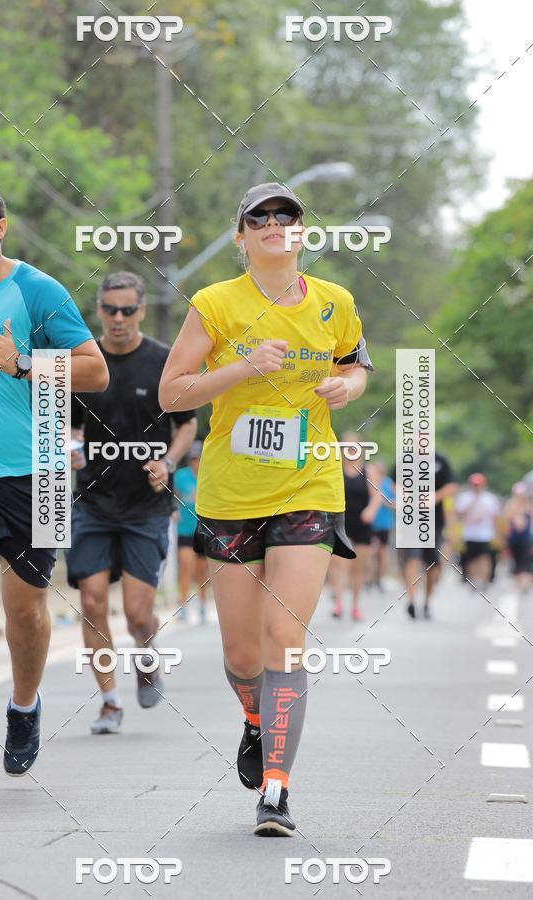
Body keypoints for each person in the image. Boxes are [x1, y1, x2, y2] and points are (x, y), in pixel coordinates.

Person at [158, 182, 373, 837]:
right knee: (244, 653)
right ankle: (256, 718)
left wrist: (347, 386)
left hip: (308, 486)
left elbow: (358, 365)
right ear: (241, 235)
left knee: (286, 640)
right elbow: (172, 393)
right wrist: (244, 367)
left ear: (302, 232)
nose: (276, 225)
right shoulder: (215, 304)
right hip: (229, 495)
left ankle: (277, 789)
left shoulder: (334, 302)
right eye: (261, 218)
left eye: (288, 216)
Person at [0, 179, 108, 790]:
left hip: (42, 470)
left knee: (28, 607)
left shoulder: (37, 290)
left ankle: (24, 706)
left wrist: (24, 361)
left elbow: (95, 370)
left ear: (0, 227)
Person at [66, 271, 196, 735]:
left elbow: (185, 424)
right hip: (93, 502)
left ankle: (146, 656)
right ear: (98, 310)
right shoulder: (83, 363)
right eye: (109, 310)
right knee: (93, 599)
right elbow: (65, 425)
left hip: (146, 505)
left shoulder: (163, 362)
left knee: (139, 613)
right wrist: (70, 445)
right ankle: (109, 701)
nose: (118, 319)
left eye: (127, 310)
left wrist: (168, 460)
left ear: (140, 311)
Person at [392, 451, 458, 619]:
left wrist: (436, 496)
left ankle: (428, 601)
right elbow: (393, 483)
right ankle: (412, 601)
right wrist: (403, 494)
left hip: (433, 522)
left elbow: (452, 486)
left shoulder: (440, 460)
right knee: (412, 559)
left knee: (432, 564)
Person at [328, 434, 381, 621]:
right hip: (340, 520)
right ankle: (339, 602)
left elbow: (376, 496)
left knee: (359, 567)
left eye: (354, 447)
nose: (350, 451)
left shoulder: (369, 470)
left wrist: (371, 510)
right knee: (339, 564)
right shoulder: (335, 468)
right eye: (347, 447)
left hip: (362, 522)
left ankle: (356, 605)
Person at [174, 441, 208, 624]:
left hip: (203, 529)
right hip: (185, 529)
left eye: (199, 458)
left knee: (201, 572)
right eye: (193, 458)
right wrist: (172, 510)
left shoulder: (209, 475)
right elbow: (171, 496)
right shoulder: (180, 476)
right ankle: (182, 604)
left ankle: (202, 604)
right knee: (186, 565)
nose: (196, 462)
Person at [454, 473, 500, 590]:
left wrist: (498, 534)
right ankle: (473, 581)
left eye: (479, 484)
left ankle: (484, 581)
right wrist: (472, 503)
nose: (477, 487)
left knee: (485, 558)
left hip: (486, 535)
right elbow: (458, 514)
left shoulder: (490, 499)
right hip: (470, 534)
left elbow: (496, 517)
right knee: (471, 559)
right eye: (474, 485)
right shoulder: (465, 497)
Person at [371, 461, 396, 590]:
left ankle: (380, 579)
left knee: (382, 552)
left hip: (384, 524)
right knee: (371, 551)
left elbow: (397, 502)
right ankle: (370, 578)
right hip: (370, 523)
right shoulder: (369, 481)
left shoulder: (388, 483)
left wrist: (386, 502)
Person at [503, 482, 532, 594]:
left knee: (525, 561)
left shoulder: (528, 506)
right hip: (514, 539)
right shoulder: (511, 505)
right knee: (516, 561)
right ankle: (520, 582)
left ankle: (524, 583)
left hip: (526, 539)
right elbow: (507, 522)